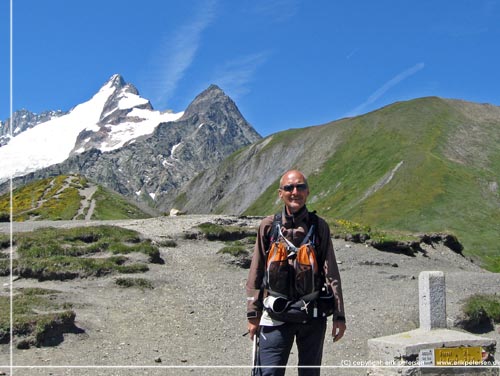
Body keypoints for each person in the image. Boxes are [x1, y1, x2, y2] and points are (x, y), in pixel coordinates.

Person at [246, 169, 346, 376]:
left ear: (307, 192)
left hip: (313, 315)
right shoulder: (267, 226)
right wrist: (252, 314)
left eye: (300, 187)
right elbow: (256, 270)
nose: (295, 192)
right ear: (280, 193)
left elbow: (331, 273)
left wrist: (339, 315)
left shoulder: (319, 227)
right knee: (269, 372)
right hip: (275, 314)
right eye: (289, 187)